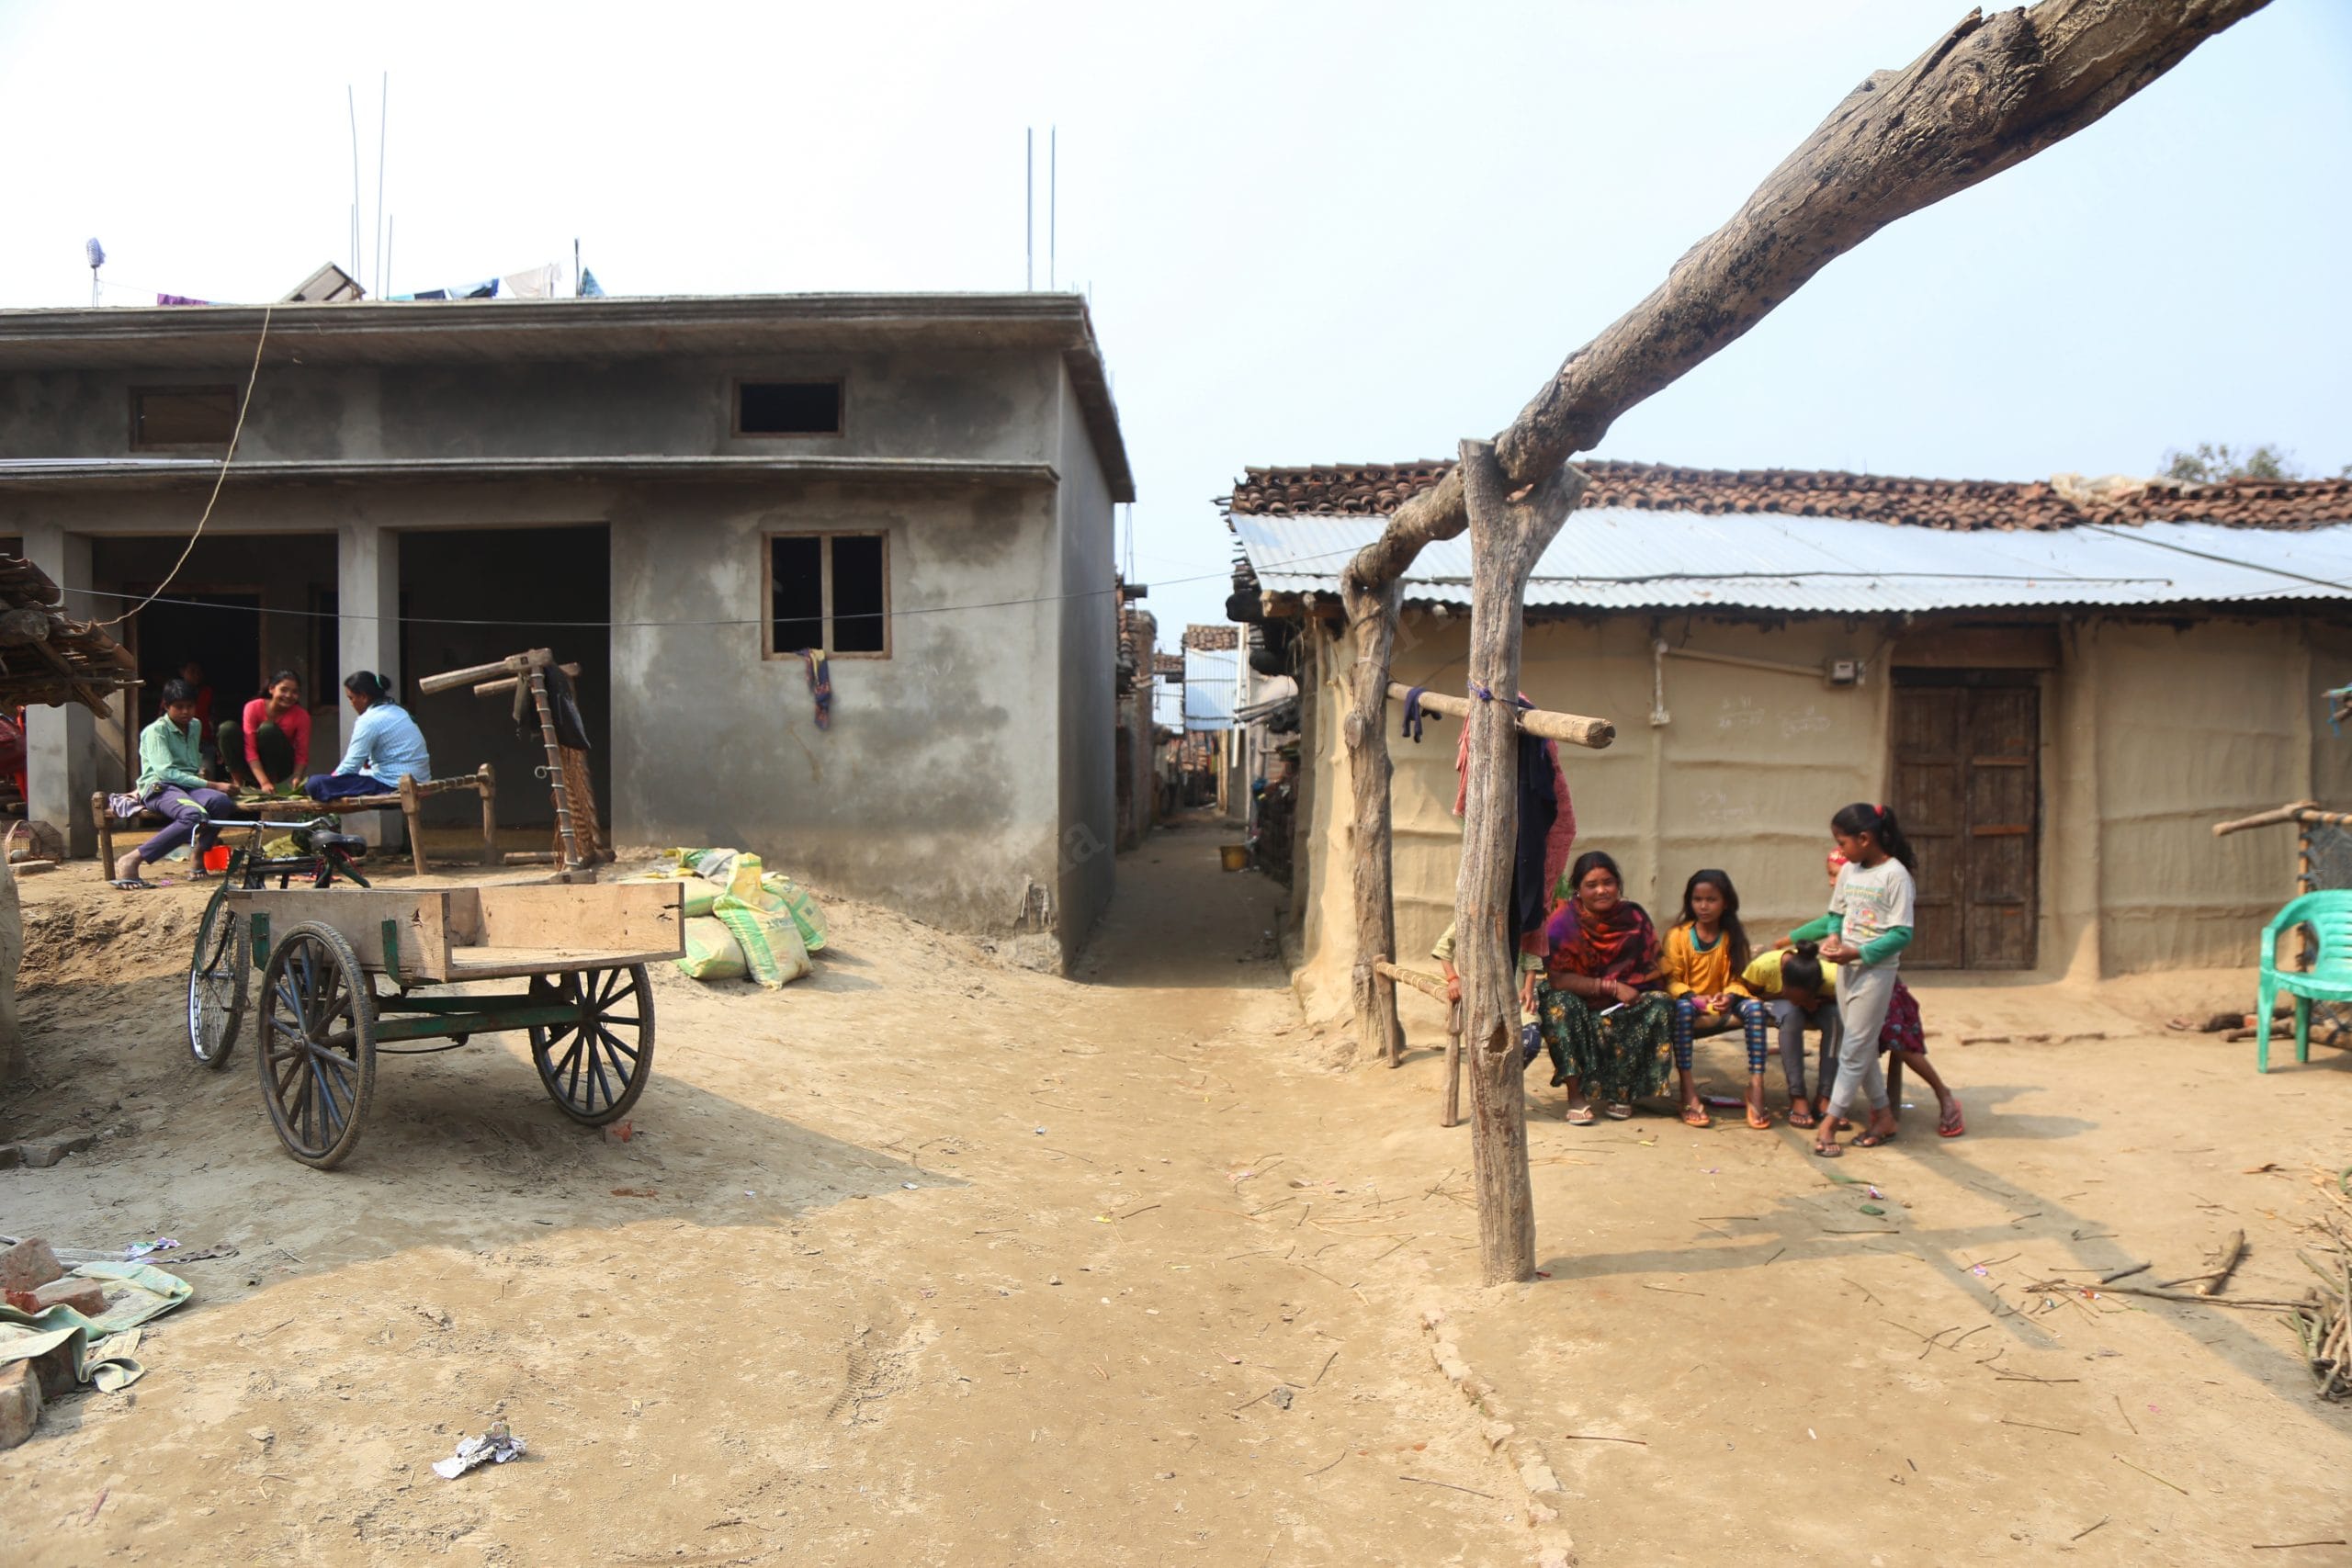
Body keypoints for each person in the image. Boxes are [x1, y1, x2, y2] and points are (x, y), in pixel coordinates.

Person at [1779, 846, 1963, 1137]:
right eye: (1830, 875)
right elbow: (1830, 921)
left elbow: (1895, 934)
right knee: (1858, 1046)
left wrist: (1786, 940)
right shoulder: (1849, 894)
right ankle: (1880, 1111)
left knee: (1901, 1045)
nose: (1832, 882)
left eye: (1835, 874)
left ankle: (1944, 1095)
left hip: (1880, 982)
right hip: (1853, 978)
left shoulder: (1884, 883)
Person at [1804, 804, 1916, 1156]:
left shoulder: (1895, 876)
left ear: (1865, 838)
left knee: (1853, 1047)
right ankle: (1885, 1116)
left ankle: (1828, 1124)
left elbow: (1901, 933)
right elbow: (1836, 913)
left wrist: (1860, 953)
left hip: (1875, 972)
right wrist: (1834, 938)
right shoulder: (1850, 871)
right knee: (1861, 1045)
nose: (1840, 850)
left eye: (1843, 842)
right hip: (1846, 968)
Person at [1532, 851, 1674, 1123]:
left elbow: (1654, 966)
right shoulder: (1563, 921)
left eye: (1608, 882)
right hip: (1578, 999)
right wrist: (1611, 987)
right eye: (1592, 885)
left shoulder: (1633, 916)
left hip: (1623, 1002)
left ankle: (1623, 1092)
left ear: (1618, 884)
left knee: (1661, 1003)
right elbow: (1558, 979)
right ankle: (1576, 1096)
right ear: (1577, 889)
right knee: (1558, 1004)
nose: (1601, 890)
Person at [1662, 869, 1773, 1130]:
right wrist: (1694, 997)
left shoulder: (1732, 936)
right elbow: (1670, 979)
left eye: (1711, 900)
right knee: (1682, 1010)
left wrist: (1730, 996)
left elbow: (1740, 978)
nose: (1703, 906)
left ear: (1726, 903)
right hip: (1689, 1001)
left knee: (1755, 1008)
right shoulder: (1677, 935)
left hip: (1724, 1002)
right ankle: (1688, 1089)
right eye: (1697, 899)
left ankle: (1756, 1085)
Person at [114, 679, 236, 886]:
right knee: (192, 815)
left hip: (189, 786)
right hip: (160, 787)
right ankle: (132, 859)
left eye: (190, 706)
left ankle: (198, 853)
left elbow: (191, 765)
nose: (185, 712)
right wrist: (214, 785)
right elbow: (166, 773)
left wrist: (207, 783)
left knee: (222, 802)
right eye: (179, 707)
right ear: (166, 706)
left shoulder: (195, 725)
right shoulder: (156, 731)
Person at [1743, 941, 1840, 1128]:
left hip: (1819, 1002)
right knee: (1792, 1016)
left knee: (1836, 1020)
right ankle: (1797, 1095)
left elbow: (1841, 999)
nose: (1798, 1002)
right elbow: (1747, 993)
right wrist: (1786, 998)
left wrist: (1815, 1001)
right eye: (1793, 996)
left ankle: (1825, 1095)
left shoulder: (1833, 979)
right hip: (1775, 1000)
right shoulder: (1764, 967)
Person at [307, 671, 431, 801]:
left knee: (315, 783)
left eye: (351, 698)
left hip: (395, 784)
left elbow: (351, 766)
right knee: (362, 771)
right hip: (420, 779)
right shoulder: (399, 711)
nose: (351, 704)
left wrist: (331, 780)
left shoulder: (368, 720)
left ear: (364, 697)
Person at [217, 671, 311, 795]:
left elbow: (302, 753)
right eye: (283, 690)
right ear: (271, 689)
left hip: (280, 767)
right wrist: (264, 782)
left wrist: (297, 777)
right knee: (227, 729)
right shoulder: (253, 707)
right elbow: (250, 748)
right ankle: (238, 783)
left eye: (295, 692)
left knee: (268, 729)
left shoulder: (302, 715)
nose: (289, 695)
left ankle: (272, 784)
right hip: (249, 765)